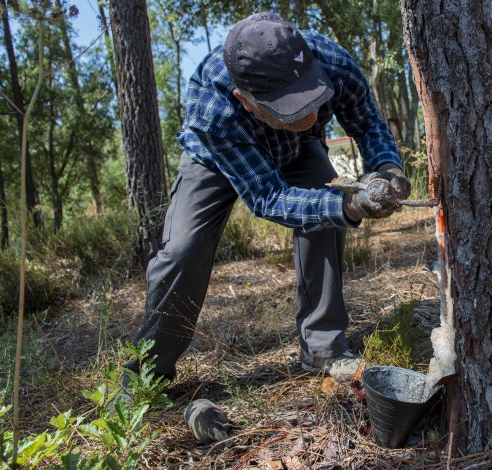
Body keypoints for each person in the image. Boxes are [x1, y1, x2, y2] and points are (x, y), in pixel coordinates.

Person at [124, 12, 410, 383]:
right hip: (218, 158)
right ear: (246, 99)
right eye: (290, 108)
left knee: (323, 213)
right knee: (184, 250)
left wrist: (389, 167)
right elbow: (267, 196)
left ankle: (324, 350)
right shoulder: (214, 109)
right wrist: (349, 204)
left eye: (311, 97)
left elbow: (368, 123)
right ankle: (148, 373)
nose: (309, 114)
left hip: (297, 148)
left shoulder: (332, 60)